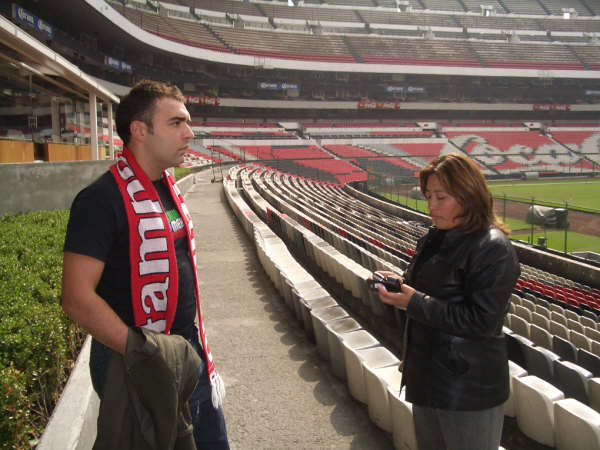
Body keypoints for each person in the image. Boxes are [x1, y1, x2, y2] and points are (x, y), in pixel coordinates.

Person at [62, 80, 228, 449]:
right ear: (139, 130)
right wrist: (146, 352)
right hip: (135, 363)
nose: (190, 132)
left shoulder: (167, 185)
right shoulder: (98, 200)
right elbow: (75, 297)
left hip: (188, 354)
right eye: (176, 123)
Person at [375, 153, 520, 450]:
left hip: (467, 389)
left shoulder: (493, 248)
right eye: (428, 196)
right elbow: (427, 289)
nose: (431, 206)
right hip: (426, 375)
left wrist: (413, 302)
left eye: (440, 197)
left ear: (468, 196)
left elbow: (482, 321)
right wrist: (399, 285)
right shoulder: (435, 237)